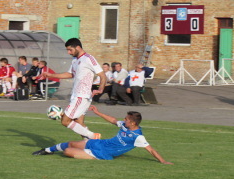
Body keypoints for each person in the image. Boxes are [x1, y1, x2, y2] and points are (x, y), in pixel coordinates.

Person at [32, 105, 173, 164]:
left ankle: (85, 151)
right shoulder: (125, 125)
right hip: (101, 143)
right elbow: (112, 120)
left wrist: (163, 161)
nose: (124, 120)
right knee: (71, 143)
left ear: (133, 123)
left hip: (102, 154)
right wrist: (98, 112)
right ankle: (46, 150)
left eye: (126, 119)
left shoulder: (138, 136)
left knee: (68, 151)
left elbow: (151, 150)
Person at [42, 38, 106, 140]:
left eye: (70, 50)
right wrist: (51, 75)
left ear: (78, 47)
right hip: (76, 95)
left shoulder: (88, 58)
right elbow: (70, 74)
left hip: (82, 95)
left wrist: (100, 89)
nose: (68, 52)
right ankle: (90, 144)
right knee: (79, 123)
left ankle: (93, 136)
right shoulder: (75, 60)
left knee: (65, 121)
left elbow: (102, 75)